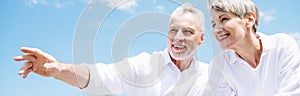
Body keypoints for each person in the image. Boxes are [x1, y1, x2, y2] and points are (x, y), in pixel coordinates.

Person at [14, 3, 209, 96]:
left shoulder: (210, 76)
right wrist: (58, 69)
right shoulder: (144, 65)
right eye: (173, 30)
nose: (178, 37)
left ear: (201, 39)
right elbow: (99, 76)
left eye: (187, 31)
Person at [203, 0, 300, 96]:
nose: (217, 30)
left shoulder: (282, 46)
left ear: (250, 19)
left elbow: (292, 93)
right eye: (213, 24)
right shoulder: (219, 65)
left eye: (224, 19)